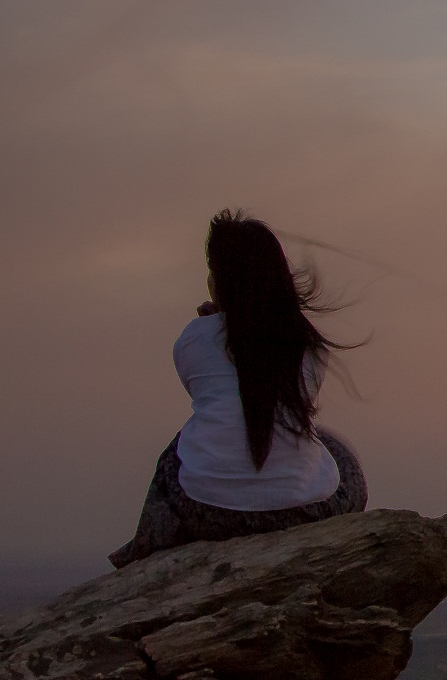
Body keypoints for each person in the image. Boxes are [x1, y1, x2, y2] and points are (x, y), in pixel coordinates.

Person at [110, 210, 366, 568]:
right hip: (305, 511)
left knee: (179, 450)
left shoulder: (193, 339)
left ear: (222, 281)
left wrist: (215, 320)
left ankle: (145, 543)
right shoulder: (309, 345)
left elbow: (213, 396)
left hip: (211, 514)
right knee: (338, 454)